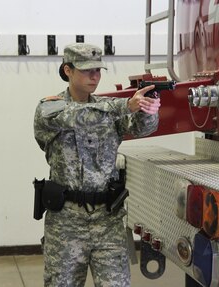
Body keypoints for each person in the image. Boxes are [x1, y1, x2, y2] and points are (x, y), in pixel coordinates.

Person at [33, 43, 160, 287]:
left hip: (107, 220)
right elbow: (80, 116)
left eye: (98, 70)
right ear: (67, 70)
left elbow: (141, 127)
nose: (95, 76)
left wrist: (149, 109)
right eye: (87, 70)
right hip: (66, 222)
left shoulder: (108, 109)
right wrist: (125, 106)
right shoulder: (48, 107)